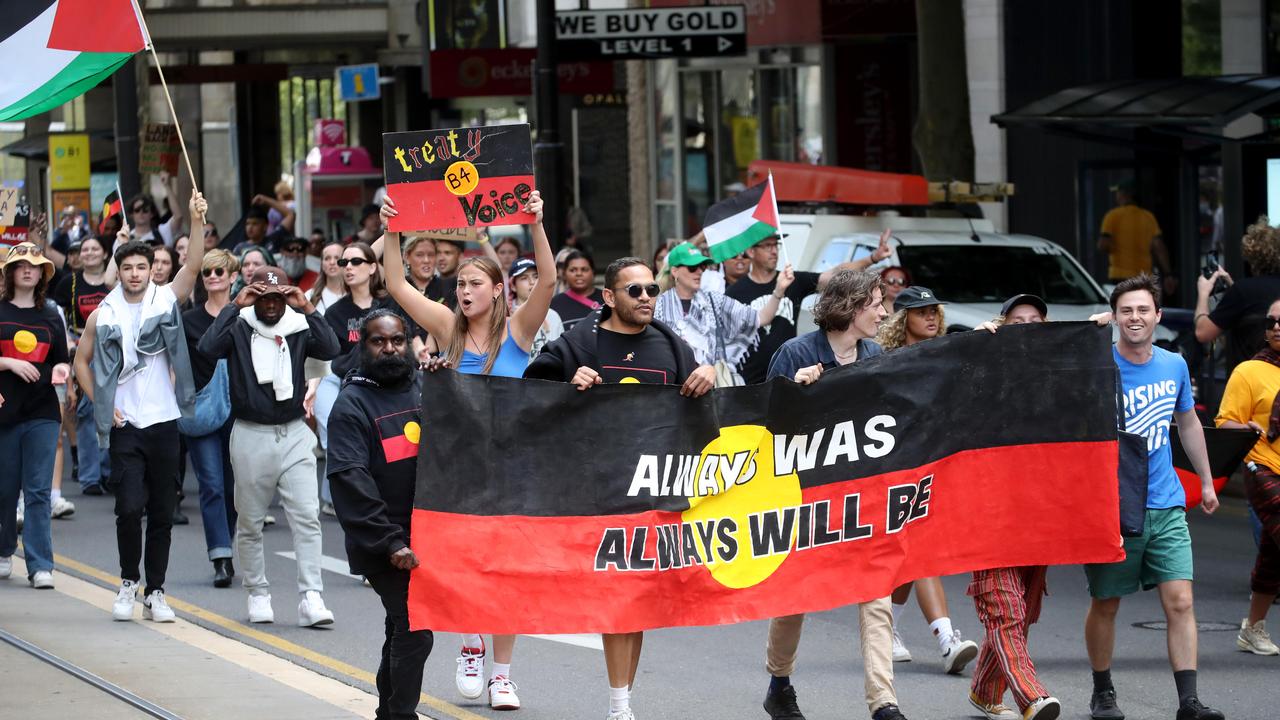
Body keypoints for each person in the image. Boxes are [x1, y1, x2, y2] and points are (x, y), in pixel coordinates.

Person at [382, 190, 555, 712]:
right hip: (454, 471)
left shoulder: (518, 332)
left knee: (508, 574)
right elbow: (392, 283)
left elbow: (546, 280)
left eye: (474, 283)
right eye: (459, 283)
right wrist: (392, 229)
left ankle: (502, 676)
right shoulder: (445, 328)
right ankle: (471, 646)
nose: (463, 291)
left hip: (510, 470)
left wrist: (537, 223)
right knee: (461, 568)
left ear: (498, 290)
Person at [525, 257, 715, 720]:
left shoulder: (671, 344)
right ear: (609, 297)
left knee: (638, 603)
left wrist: (708, 375)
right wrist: (568, 382)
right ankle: (619, 706)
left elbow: (699, 412)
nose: (647, 298)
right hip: (598, 493)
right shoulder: (579, 342)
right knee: (619, 599)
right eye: (635, 291)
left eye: (652, 289)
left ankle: (622, 701)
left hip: (654, 493)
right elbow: (528, 389)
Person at [762, 268, 908, 720]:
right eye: (877, 303)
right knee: (796, 598)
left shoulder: (876, 354)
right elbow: (764, 423)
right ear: (849, 306)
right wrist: (794, 392)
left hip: (864, 493)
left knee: (877, 596)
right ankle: (779, 682)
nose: (885, 311)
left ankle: (884, 702)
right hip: (808, 497)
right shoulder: (795, 352)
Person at [1084, 273, 1223, 720]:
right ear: (1115, 316)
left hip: (1165, 502)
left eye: (1143, 309)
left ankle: (1189, 702)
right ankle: (1102, 691)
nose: (1135, 317)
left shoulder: (1173, 365)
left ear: (1158, 316)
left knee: (1180, 601)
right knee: (1106, 603)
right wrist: (1090, 336)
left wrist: (1203, 480)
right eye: (1126, 310)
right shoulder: (1096, 365)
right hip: (1113, 507)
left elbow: (1187, 423)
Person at [73, 192, 209, 624]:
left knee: (162, 512)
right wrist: (102, 402)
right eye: (127, 267)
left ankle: (157, 591)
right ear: (119, 271)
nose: (134, 274)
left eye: (142, 267)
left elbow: (193, 265)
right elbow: (81, 361)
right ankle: (128, 581)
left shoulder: (167, 300)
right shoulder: (104, 313)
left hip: (164, 421)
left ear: (153, 270)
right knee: (129, 508)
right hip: (125, 423)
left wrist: (195, 219)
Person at [197, 263, 340, 627]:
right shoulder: (240, 324)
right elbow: (208, 348)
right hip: (251, 433)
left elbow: (331, 347)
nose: (272, 305)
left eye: (278, 297)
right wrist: (235, 304)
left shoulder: (298, 325)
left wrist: (306, 306)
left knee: (307, 517)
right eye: (265, 297)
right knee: (250, 522)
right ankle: (258, 593)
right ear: (254, 296)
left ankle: (311, 597)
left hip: (293, 432)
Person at [328, 310, 434, 720]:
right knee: (416, 629)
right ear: (363, 346)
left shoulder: (424, 386)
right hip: (384, 542)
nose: (389, 350)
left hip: (427, 535)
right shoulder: (351, 405)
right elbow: (350, 481)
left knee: (399, 627)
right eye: (378, 342)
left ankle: (387, 713)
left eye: (397, 341)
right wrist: (391, 542)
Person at [967, 293, 1067, 720]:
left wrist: (1098, 332)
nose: (1026, 325)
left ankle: (985, 691)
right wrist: (971, 349)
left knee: (1020, 609)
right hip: (988, 509)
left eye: (1035, 319)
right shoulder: (982, 366)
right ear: (1001, 325)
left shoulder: (1059, 377)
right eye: (1016, 319)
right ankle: (1031, 696)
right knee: (1003, 605)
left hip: (1037, 511)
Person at [872, 286, 980, 675]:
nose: (931, 316)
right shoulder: (884, 361)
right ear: (903, 320)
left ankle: (888, 631)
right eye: (921, 312)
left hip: (938, 465)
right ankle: (946, 639)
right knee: (919, 550)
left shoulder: (947, 353)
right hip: (896, 468)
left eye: (934, 309)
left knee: (912, 554)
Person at [727, 230, 892, 384]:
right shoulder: (734, 292)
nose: (774, 251)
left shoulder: (794, 280)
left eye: (776, 245)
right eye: (767, 246)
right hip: (749, 380)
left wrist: (873, 258)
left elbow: (836, 276)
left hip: (795, 368)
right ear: (750, 251)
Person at [0, 243, 70, 589]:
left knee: (39, 491)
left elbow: (62, 358)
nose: (28, 270)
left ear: (42, 273)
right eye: (21, 265)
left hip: (42, 410)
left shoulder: (51, 315)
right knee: (5, 489)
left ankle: (41, 564)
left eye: (35, 265)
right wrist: (10, 362)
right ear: (10, 273)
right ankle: (3, 550)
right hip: (4, 411)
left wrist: (60, 368)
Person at [1214, 296, 1280, 657]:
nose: (1276, 327)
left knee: (1272, 555)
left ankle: (1252, 629)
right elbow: (1225, 422)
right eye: (1271, 321)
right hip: (1263, 466)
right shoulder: (1249, 371)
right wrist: (1249, 427)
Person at [653, 241, 793, 384]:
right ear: (675, 271)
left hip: (712, 388)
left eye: (702, 266)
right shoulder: (658, 306)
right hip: (674, 386)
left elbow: (761, 318)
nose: (700, 272)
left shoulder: (715, 300)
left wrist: (779, 290)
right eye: (692, 267)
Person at [182, 249, 240, 588]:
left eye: (219, 271)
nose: (213, 276)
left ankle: (227, 542)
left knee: (235, 488)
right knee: (211, 485)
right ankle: (220, 555)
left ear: (233, 276)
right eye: (206, 272)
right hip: (202, 409)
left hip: (242, 411)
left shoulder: (246, 316)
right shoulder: (189, 320)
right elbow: (177, 364)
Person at [1195, 217, 1280, 373]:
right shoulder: (1242, 291)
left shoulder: (1243, 291)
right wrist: (1232, 286)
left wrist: (1203, 293)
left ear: (1252, 256)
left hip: (1251, 385)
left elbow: (1203, 333)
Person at [1097, 180, 1174, 293]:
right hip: (1143, 277)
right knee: (1142, 309)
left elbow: (1103, 245)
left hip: (1119, 277)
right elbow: (1159, 247)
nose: (1116, 196)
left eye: (1117, 193)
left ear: (1123, 194)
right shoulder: (1148, 217)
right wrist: (1168, 274)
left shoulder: (1112, 216)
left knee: (1124, 309)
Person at [510, 258, 563, 360]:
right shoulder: (505, 315)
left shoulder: (553, 316)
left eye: (536, 276)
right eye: (524, 278)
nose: (532, 282)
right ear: (513, 286)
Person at [550, 249, 603, 332]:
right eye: (573, 270)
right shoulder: (554, 304)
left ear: (593, 272)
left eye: (584, 269)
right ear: (564, 274)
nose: (579, 274)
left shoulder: (607, 299)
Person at [308, 240, 347, 315]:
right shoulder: (309, 296)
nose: (332, 262)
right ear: (322, 264)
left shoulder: (356, 293)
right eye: (327, 258)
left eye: (337, 258)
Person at [434, 238, 463, 309]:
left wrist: (481, 238)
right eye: (438, 253)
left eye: (447, 253)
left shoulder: (465, 287)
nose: (441, 258)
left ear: (460, 257)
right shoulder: (429, 285)